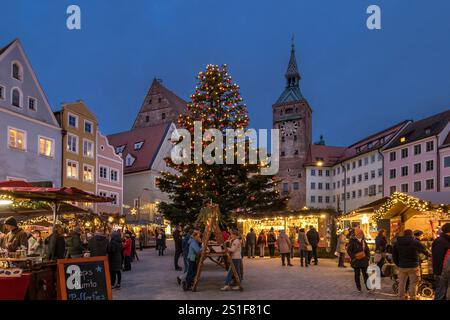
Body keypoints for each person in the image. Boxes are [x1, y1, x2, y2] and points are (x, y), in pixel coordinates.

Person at [392, 229, 430, 300]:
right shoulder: (415, 242)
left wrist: (399, 264)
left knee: (401, 283)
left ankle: (401, 297)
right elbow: (425, 250)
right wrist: (430, 255)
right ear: (411, 234)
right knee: (413, 283)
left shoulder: (397, 243)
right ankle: (412, 297)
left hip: (402, 266)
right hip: (413, 266)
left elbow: (394, 256)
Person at [347, 228, 371, 292]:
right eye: (360, 233)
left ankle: (368, 287)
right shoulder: (352, 241)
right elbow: (349, 250)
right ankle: (358, 287)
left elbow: (367, 250)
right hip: (356, 260)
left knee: (365, 274)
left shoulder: (363, 241)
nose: (362, 235)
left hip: (364, 260)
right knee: (357, 274)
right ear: (357, 234)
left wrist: (367, 258)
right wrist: (354, 257)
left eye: (362, 233)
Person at [432, 223, 450, 300]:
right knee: (441, 294)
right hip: (441, 272)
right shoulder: (440, 241)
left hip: (446, 271)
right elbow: (437, 258)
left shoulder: (446, 240)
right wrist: (439, 273)